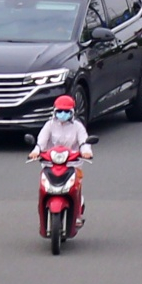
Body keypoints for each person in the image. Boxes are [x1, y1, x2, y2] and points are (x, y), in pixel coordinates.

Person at [30, 93, 91, 227]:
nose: (63, 114)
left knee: (76, 187)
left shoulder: (78, 127)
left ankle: (77, 214)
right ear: (54, 111)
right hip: (50, 163)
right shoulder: (49, 125)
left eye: (66, 111)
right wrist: (36, 151)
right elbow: (41, 142)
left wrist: (86, 152)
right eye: (60, 111)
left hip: (73, 164)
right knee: (43, 187)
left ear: (72, 112)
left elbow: (84, 142)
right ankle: (42, 211)